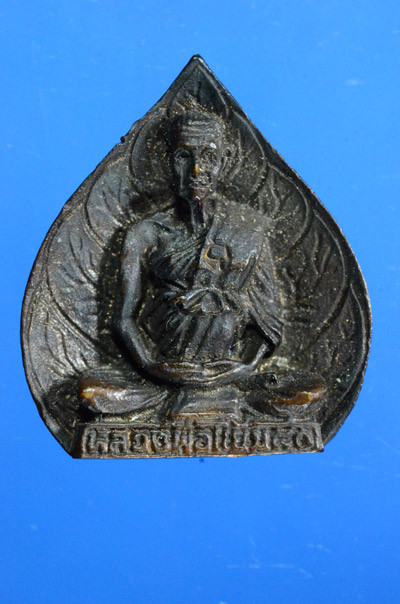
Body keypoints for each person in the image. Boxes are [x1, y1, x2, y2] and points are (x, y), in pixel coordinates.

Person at [79, 111, 323, 416]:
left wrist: (244, 366)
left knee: (308, 392)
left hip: (231, 371)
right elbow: (124, 319)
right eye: (184, 157)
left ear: (225, 161)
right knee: (91, 393)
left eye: (208, 157)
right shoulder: (145, 232)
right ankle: (181, 401)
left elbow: (269, 324)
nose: (197, 170)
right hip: (164, 371)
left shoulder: (248, 230)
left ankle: (219, 400)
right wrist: (152, 365)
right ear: (167, 162)